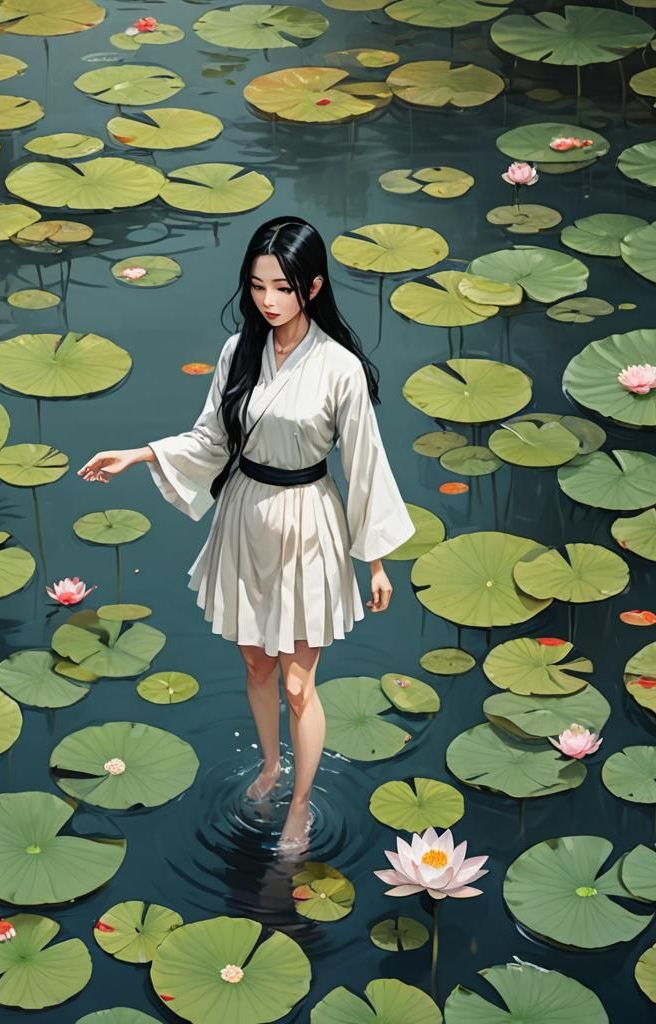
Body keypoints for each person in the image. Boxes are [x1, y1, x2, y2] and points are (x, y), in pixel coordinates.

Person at [77, 216, 416, 853]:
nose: (266, 300)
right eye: (257, 286)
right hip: (244, 510)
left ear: (312, 287)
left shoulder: (338, 368)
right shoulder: (239, 351)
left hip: (307, 520)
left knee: (297, 682)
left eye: (281, 288)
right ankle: (269, 765)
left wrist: (374, 561)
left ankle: (301, 805)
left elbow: (366, 462)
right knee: (256, 662)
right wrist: (139, 453)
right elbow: (211, 438)